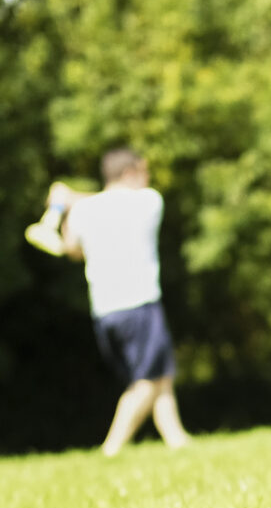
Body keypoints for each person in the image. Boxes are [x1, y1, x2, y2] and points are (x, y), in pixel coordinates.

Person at [45, 147, 192, 455]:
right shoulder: (149, 201)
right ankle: (111, 449)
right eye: (144, 172)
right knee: (148, 382)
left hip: (104, 310)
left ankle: (177, 440)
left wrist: (65, 201)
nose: (148, 179)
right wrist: (72, 197)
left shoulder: (83, 211)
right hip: (139, 303)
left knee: (160, 376)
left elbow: (71, 249)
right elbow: (115, 202)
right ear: (129, 174)